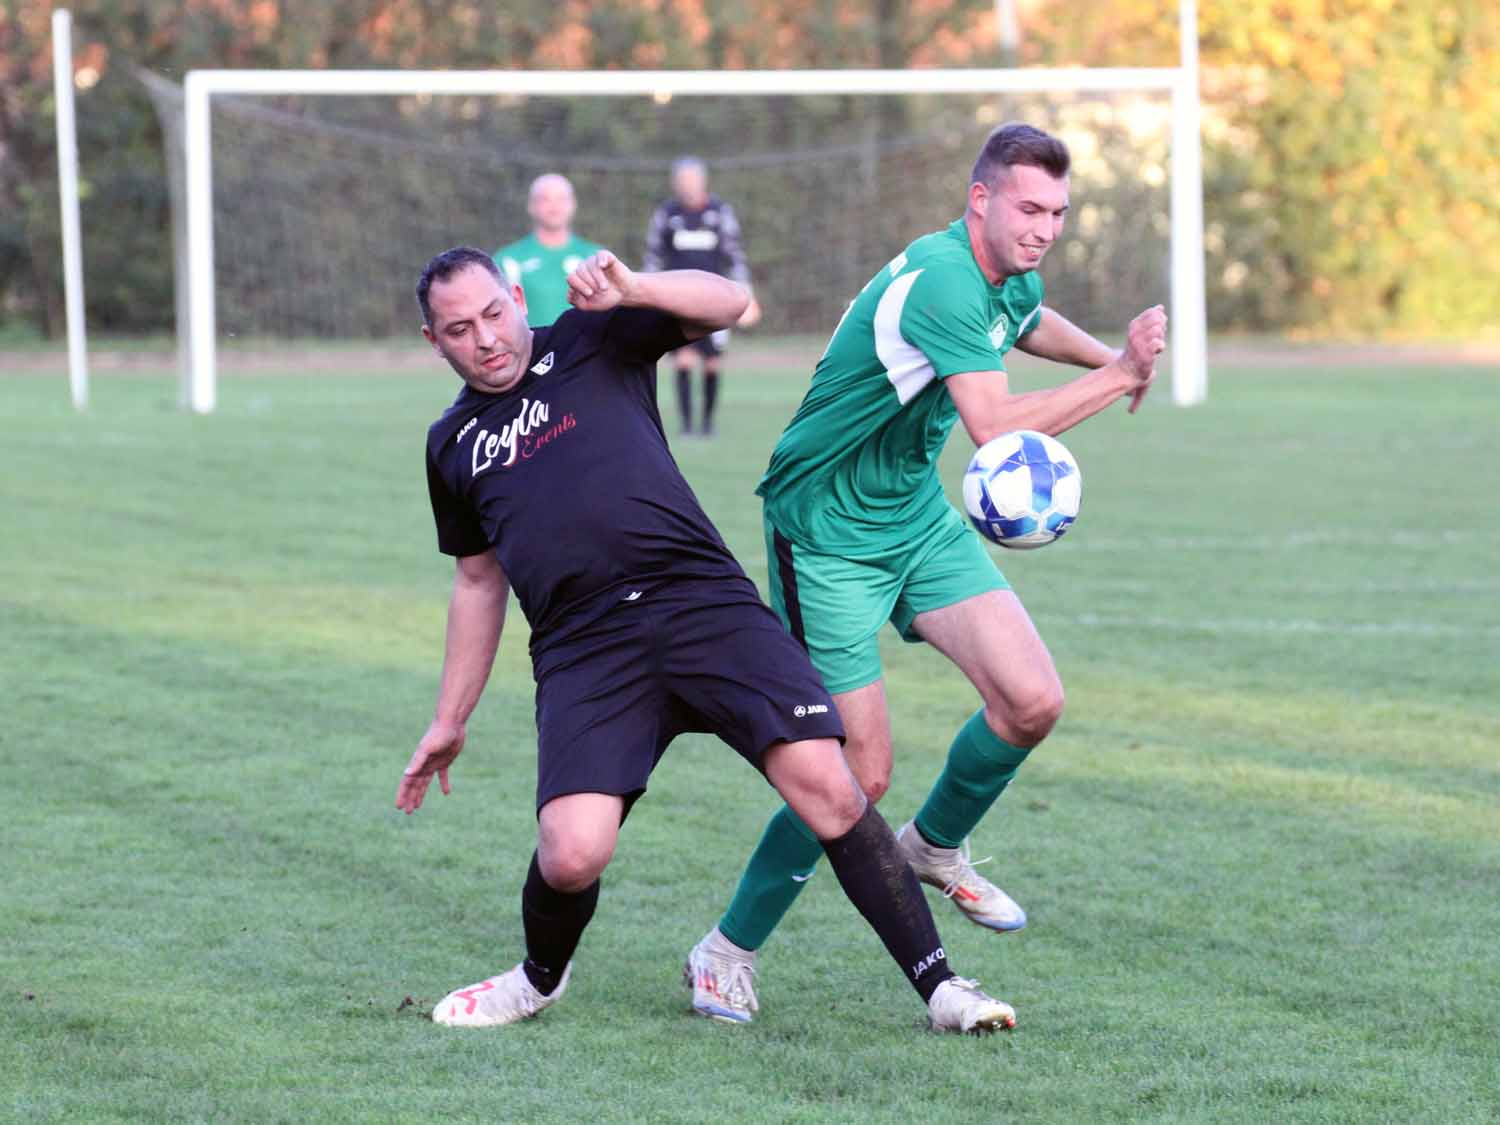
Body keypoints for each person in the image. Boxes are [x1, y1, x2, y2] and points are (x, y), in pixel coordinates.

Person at [396, 244, 1016, 1035]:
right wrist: (450, 719)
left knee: (830, 784)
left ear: (517, 297)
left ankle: (942, 988)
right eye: (459, 330)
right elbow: (479, 583)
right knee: (572, 852)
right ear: (434, 342)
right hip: (585, 645)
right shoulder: (450, 444)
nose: (485, 338)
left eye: (493, 313)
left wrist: (635, 289)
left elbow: (731, 301)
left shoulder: (593, 335)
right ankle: (537, 978)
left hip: (700, 602)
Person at [681, 123, 1168, 1023]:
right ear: (980, 199)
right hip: (823, 531)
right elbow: (997, 428)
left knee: (1031, 699)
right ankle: (724, 950)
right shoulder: (945, 278)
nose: (1044, 229)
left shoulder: (1005, 271)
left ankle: (935, 846)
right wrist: (1126, 372)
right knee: (854, 776)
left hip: (912, 515)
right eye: (1029, 208)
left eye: (1057, 212)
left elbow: (1027, 321)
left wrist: (1104, 357)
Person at [641, 157, 761, 437]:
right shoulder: (667, 214)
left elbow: (735, 255)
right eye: (682, 181)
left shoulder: (720, 213)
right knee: (683, 360)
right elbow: (653, 257)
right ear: (675, 183)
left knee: (711, 363)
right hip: (678, 300)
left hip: (715, 300)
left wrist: (747, 294)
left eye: (692, 180)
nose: (687, 186)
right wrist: (647, 293)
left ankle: (707, 424)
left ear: (703, 181)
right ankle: (686, 426)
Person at [493, 173, 602, 325]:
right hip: (532, 348)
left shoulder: (596, 257)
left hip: (584, 347)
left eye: (561, 199)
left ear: (573, 204)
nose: (554, 206)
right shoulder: (507, 260)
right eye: (545, 199)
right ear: (531, 206)